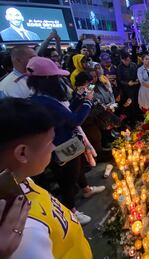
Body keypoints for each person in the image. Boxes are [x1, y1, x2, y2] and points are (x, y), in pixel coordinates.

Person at [0, 98, 92, 258]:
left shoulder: (19, 181)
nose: (53, 147)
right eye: (50, 142)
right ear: (22, 153)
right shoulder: (22, 232)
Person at [27, 57, 104, 225]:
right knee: (67, 180)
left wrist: (78, 98)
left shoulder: (44, 97)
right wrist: (88, 102)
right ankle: (72, 211)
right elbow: (74, 119)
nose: (60, 81)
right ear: (48, 81)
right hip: (61, 147)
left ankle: (86, 189)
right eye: (57, 78)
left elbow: (65, 110)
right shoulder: (44, 101)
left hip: (67, 144)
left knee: (76, 171)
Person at [117, 51, 141, 126]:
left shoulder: (133, 65)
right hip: (127, 90)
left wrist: (137, 79)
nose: (128, 61)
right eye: (126, 60)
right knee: (130, 107)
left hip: (136, 88)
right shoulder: (119, 67)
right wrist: (127, 83)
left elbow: (137, 73)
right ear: (122, 60)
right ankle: (132, 123)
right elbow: (120, 80)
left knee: (137, 104)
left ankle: (138, 120)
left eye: (129, 59)